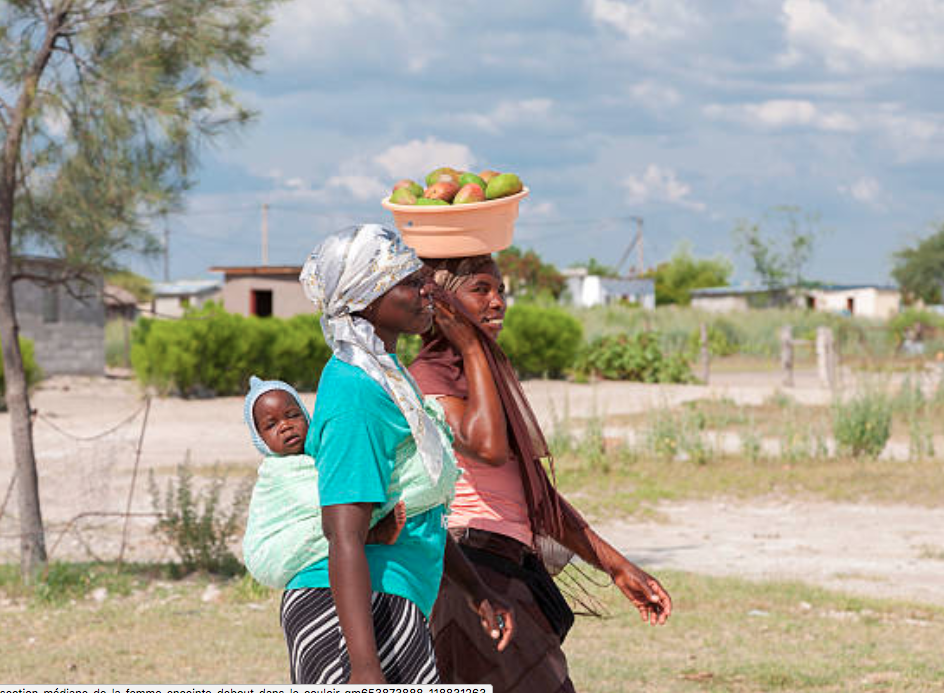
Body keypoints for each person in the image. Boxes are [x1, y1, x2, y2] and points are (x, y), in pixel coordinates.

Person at [409, 254, 673, 692]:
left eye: (501, 291)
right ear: (442, 302)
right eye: (480, 289)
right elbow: (488, 449)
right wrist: (473, 348)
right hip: (469, 573)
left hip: (503, 569)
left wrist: (618, 567)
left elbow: (536, 499)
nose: (498, 302)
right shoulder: (428, 377)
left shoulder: (481, 376)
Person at [282, 225, 514, 685]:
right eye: (409, 282)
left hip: (390, 596)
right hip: (355, 610)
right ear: (367, 299)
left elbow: (415, 508)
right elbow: (342, 533)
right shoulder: (355, 392)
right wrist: (366, 667)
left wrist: (476, 590)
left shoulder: (389, 379)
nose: (428, 288)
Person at [241, 375, 406, 590]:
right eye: (271, 425)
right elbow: (315, 498)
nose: (285, 426)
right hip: (270, 552)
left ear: (307, 416)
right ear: (260, 439)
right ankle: (371, 533)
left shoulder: (319, 452)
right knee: (337, 511)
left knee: (338, 510)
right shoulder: (277, 471)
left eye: (292, 415)